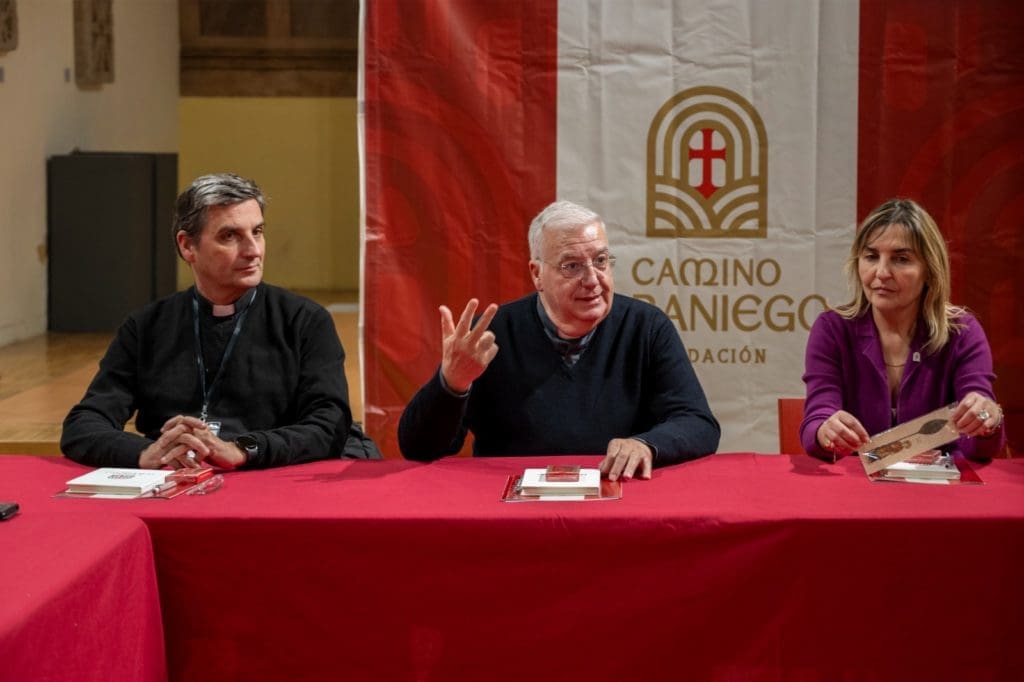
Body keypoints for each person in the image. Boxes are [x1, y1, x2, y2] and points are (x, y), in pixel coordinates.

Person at [61, 172, 373, 469]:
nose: (253, 250)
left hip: (271, 478)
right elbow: (83, 424)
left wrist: (243, 449)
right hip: (178, 483)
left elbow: (329, 425)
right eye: (230, 236)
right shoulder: (147, 327)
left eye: (258, 232)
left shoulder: (304, 321)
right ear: (187, 246)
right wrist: (145, 453)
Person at [398, 200, 720, 480]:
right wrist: (452, 384)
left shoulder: (646, 327)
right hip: (511, 514)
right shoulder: (492, 337)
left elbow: (697, 423)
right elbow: (418, 448)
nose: (593, 280)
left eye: (601, 261)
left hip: (619, 506)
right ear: (537, 274)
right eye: (572, 266)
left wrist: (648, 444)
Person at [801, 198, 1005, 461]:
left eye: (901, 259)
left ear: (929, 270)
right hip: (857, 489)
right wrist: (824, 430)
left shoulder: (962, 332)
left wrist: (987, 418)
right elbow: (815, 422)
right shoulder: (832, 329)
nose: (881, 272)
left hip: (937, 491)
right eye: (871, 256)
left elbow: (980, 448)